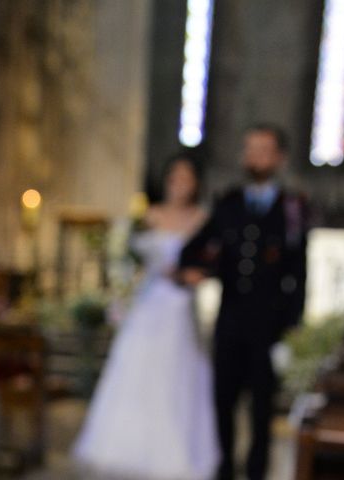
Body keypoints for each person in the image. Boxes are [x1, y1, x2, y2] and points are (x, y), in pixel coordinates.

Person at [73, 154, 220, 480]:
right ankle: (129, 446)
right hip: (151, 303)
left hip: (181, 306)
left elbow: (211, 265)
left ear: (195, 183)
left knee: (176, 377)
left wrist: (188, 275)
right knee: (137, 371)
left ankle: (173, 451)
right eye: (174, 177)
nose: (180, 184)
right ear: (166, 180)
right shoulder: (148, 217)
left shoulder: (202, 220)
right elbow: (129, 259)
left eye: (187, 178)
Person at [179, 124, 308, 480]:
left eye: (263, 149)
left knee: (262, 408)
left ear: (279, 157)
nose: (255, 156)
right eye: (250, 148)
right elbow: (196, 249)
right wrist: (199, 269)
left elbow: (298, 271)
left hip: (269, 325)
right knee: (223, 402)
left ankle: (256, 472)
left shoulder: (292, 207)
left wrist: (293, 326)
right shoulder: (229, 203)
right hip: (230, 320)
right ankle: (222, 469)